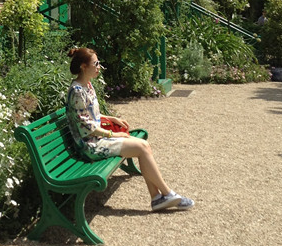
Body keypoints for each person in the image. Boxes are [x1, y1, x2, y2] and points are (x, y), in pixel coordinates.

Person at [65, 47, 194, 212]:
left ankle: (157, 197)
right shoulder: (77, 91)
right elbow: (86, 127)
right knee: (141, 148)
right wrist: (112, 133)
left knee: (144, 145)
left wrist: (111, 119)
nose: (99, 67)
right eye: (95, 64)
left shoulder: (87, 86)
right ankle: (166, 194)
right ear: (83, 66)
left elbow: (91, 115)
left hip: (98, 138)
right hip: (90, 146)